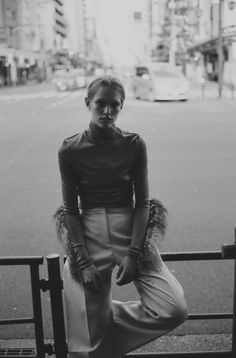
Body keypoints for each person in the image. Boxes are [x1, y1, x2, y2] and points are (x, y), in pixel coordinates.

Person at [57, 75, 187, 358]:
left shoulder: (134, 144)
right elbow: (70, 210)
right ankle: (99, 328)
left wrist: (134, 252)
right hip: (88, 235)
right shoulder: (69, 148)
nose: (107, 111)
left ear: (121, 106)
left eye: (114, 105)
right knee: (87, 341)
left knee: (173, 308)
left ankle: (105, 325)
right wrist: (83, 262)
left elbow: (143, 203)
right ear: (88, 103)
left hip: (129, 231)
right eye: (100, 103)